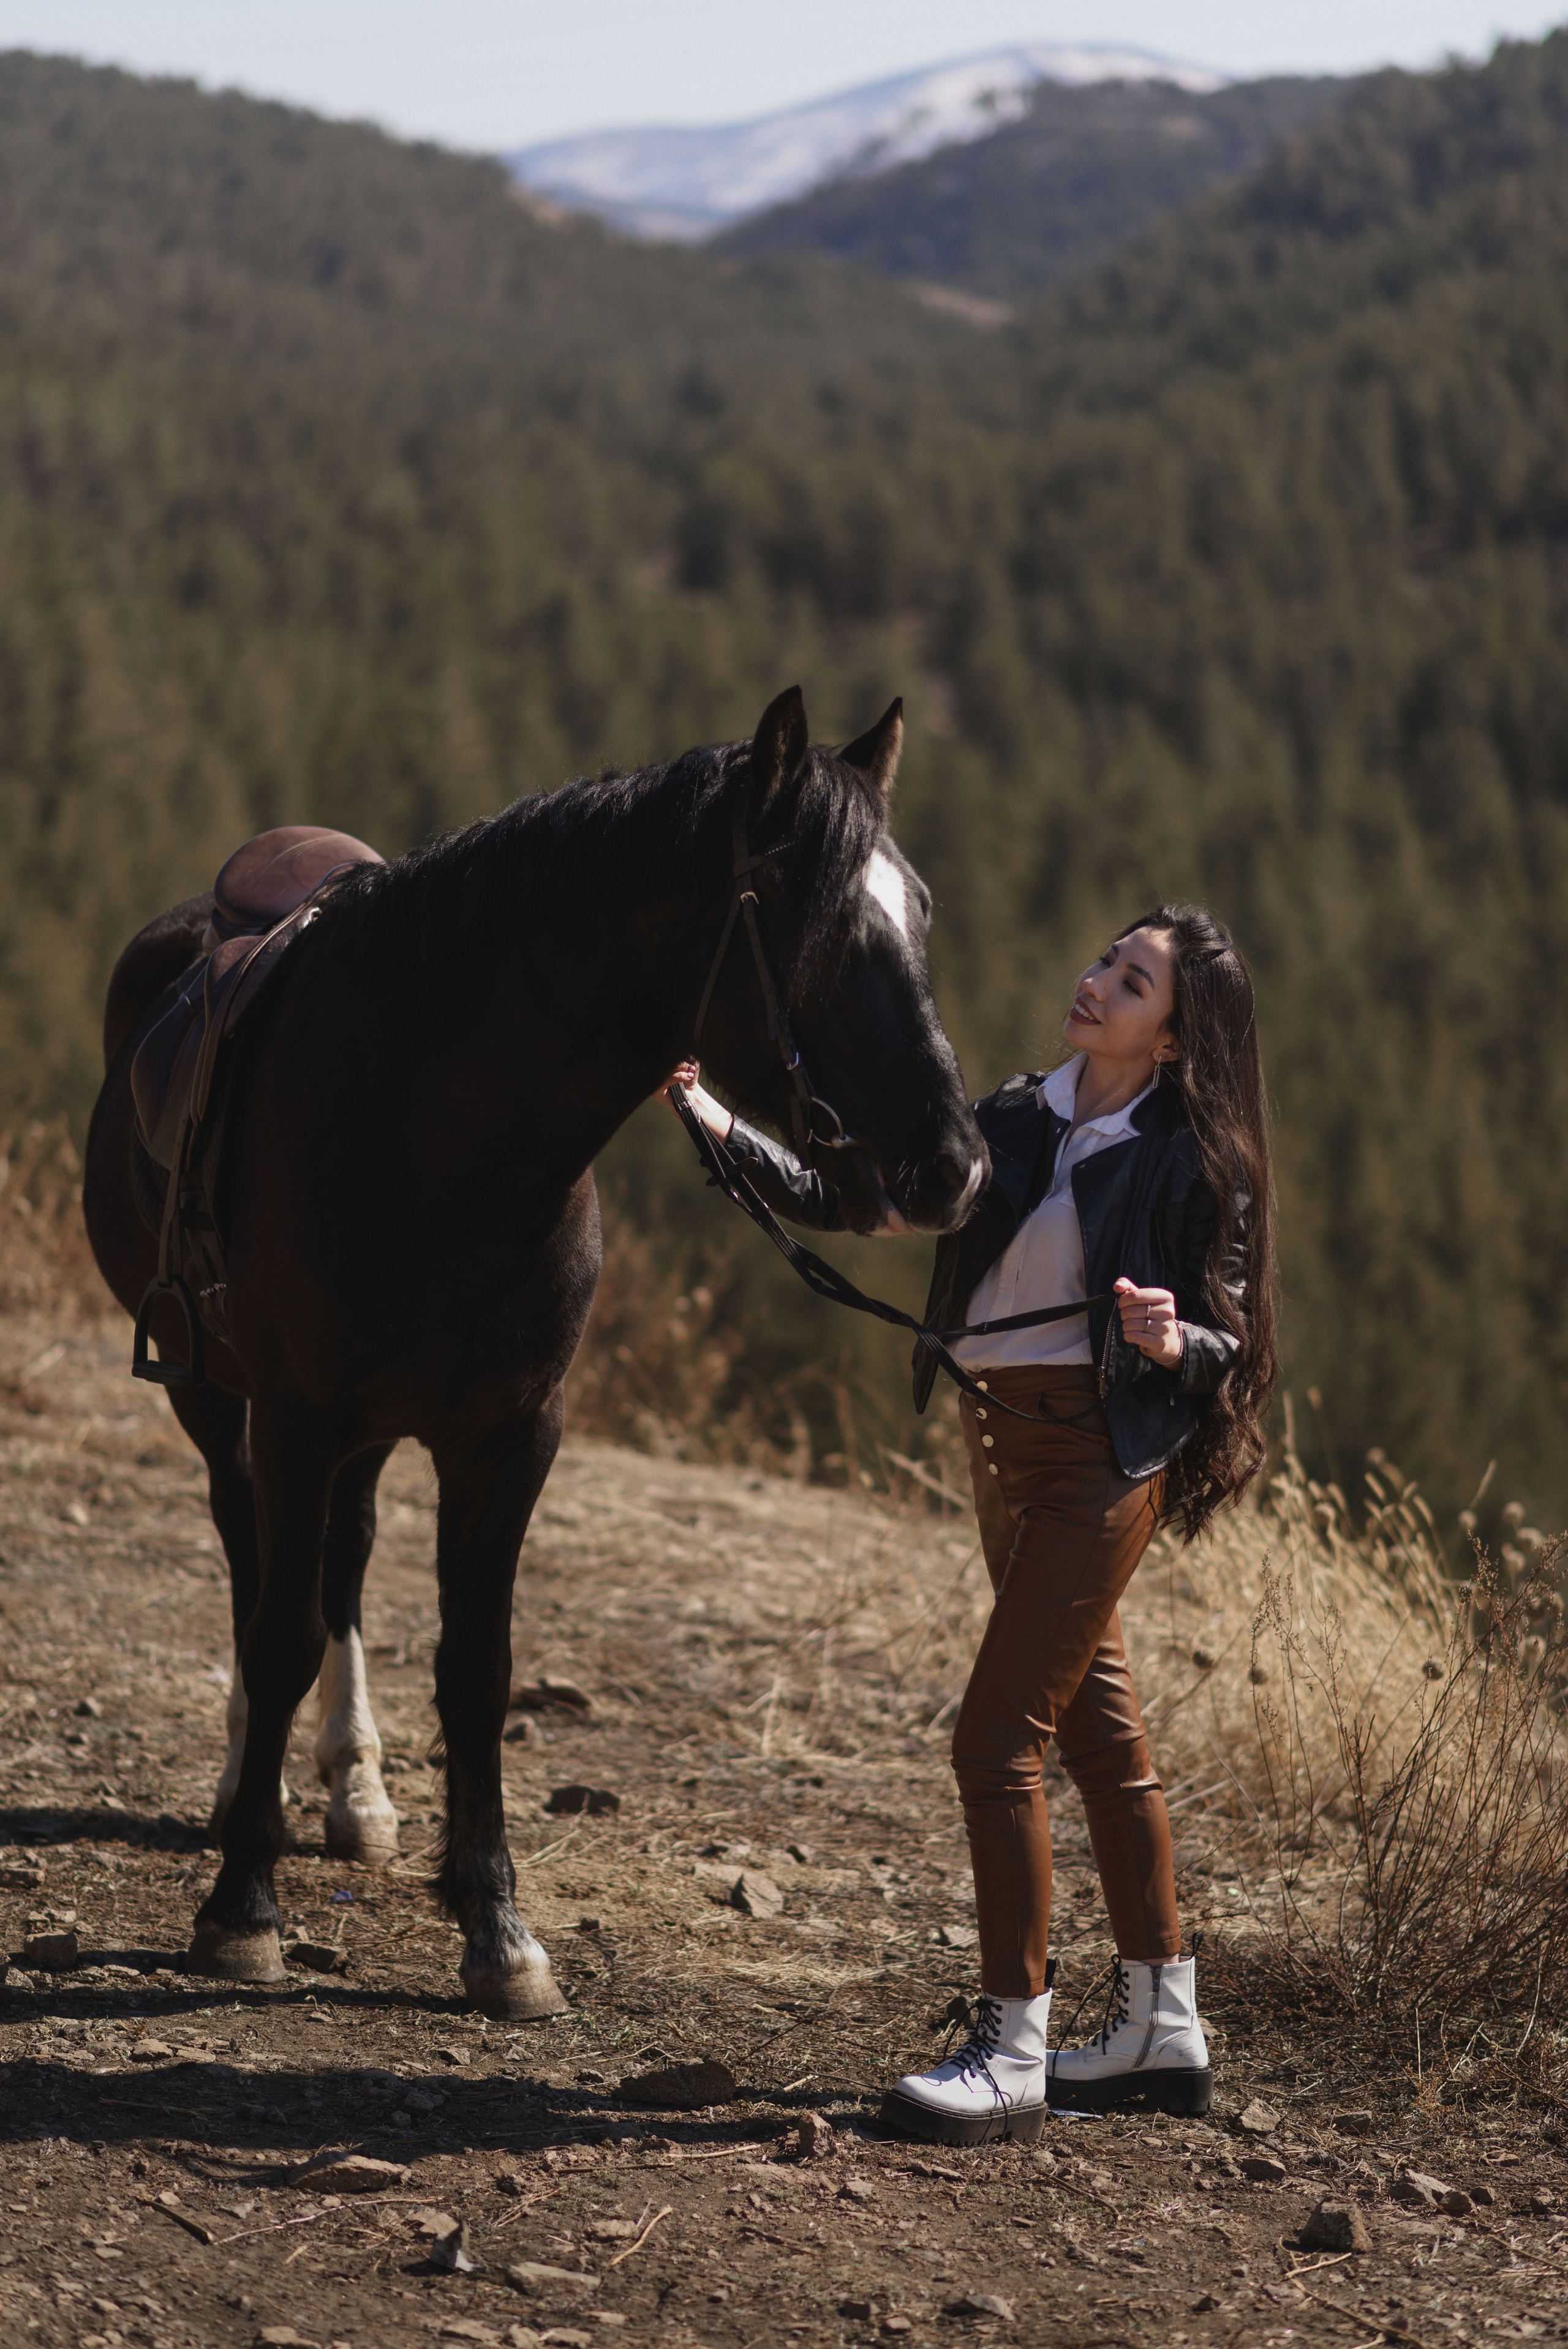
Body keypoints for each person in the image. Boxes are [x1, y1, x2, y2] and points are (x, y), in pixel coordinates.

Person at [666, 902, 1278, 2144]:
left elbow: (1233, 1341)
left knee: (993, 1742)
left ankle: (1013, 2048)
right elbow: (871, 1202)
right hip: (999, 1448)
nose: (1094, 980)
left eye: (1131, 979)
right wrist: (715, 1121)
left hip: (1100, 1463)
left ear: (1172, 1036)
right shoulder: (1012, 1114)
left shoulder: (1192, 1160)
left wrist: (1175, 1335)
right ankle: (1162, 2023)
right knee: (1100, 1737)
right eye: (1104, 959)